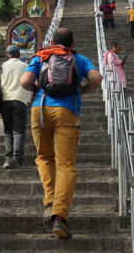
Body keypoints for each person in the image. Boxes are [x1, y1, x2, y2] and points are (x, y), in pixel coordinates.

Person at [20, 27, 101, 239]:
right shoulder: (79, 58)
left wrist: (37, 88)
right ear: (72, 44)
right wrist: (81, 91)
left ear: (53, 41)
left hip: (40, 109)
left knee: (44, 157)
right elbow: (97, 78)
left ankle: (49, 201)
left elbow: (24, 81)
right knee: (65, 164)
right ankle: (59, 216)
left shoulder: (41, 55)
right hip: (67, 111)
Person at [0, 45, 33, 167]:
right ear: (19, 55)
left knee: (7, 131)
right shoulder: (26, 66)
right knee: (19, 130)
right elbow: (31, 82)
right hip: (20, 100)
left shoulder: (2, 66)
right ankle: (17, 158)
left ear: (7, 55)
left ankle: (7, 158)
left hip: (5, 101)